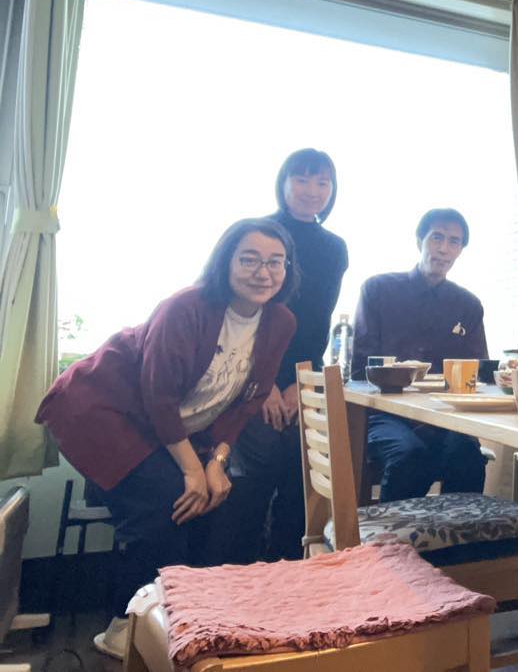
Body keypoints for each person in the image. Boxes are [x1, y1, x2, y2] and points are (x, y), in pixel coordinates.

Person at [35, 218, 297, 660]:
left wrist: (216, 463)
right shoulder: (186, 307)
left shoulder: (280, 322)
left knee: (215, 499)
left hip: (167, 426)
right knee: (166, 503)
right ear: (225, 262)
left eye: (276, 262)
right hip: (104, 410)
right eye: (249, 259)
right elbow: (159, 396)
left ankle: (184, 620)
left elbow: (248, 400)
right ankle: (126, 628)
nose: (263, 272)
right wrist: (192, 470)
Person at [208, 149, 348, 563]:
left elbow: (317, 322)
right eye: (301, 179)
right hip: (249, 373)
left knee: (303, 472)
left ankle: (284, 570)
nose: (312, 190)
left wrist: (296, 385)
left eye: (322, 182)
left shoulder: (335, 248)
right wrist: (264, 384)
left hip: (300, 378)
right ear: (283, 183)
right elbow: (243, 317)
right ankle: (236, 571)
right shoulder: (260, 236)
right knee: (258, 466)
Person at [352, 208, 487, 502]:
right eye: (437, 237)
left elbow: (476, 372)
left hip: (443, 416)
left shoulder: (468, 305)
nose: (444, 248)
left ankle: (458, 532)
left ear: (461, 250)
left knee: (467, 455)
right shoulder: (378, 290)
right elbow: (360, 368)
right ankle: (391, 532)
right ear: (419, 241)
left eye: (454, 241)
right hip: (384, 414)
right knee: (410, 455)